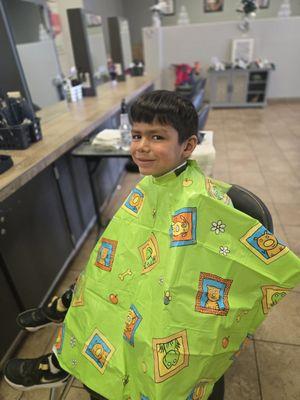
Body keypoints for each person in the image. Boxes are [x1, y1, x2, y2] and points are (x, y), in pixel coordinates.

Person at [4, 90, 300, 400]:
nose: (141, 147)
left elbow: (268, 264)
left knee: (116, 315)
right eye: (136, 135)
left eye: (156, 137)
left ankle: (62, 350)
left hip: (168, 298)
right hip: (141, 278)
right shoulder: (152, 182)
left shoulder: (201, 201)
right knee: (93, 285)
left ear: (187, 146)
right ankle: (62, 347)